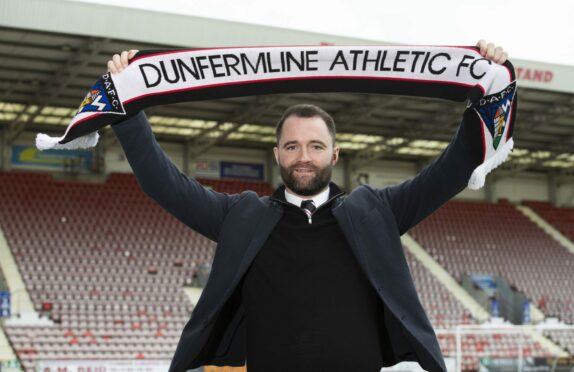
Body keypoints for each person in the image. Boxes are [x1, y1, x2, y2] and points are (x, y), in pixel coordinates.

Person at [107, 41, 508, 372]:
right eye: (292, 146)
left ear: (334, 155)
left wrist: (486, 86)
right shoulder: (243, 216)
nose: (304, 156)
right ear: (277, 153)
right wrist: (128, 109)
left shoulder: (376, 211)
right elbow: (163, 183)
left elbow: (453, 168)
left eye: (316, 146)